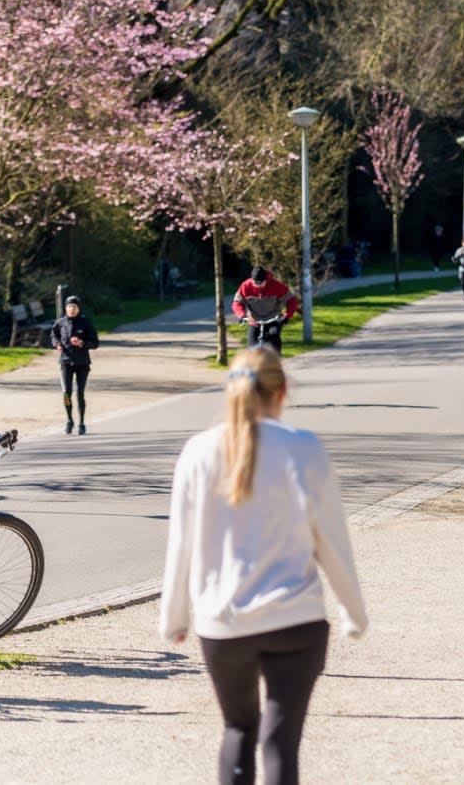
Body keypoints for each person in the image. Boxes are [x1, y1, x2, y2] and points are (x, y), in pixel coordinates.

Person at [160, 347, 367, 785]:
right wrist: (353, 612)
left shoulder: (197, 452)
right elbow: (331, 541)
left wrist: (175, 618)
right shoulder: (304, 449)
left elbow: (182, 545)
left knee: (237, 729)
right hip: (297, 621)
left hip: (224, 622)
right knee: (280, 743)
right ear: (283, 391)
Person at [50, 295, 100, 435]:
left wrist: (82, 343)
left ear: (78, 308)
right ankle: (69, 420)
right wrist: (57, 344)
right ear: (66, 308)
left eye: (74, 307)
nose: (71, 309)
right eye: (69, 306)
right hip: (66, 362)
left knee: (80, 394)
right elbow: (53, 335)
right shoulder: (60, 322)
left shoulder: (85, 322)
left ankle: (82, 423)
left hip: (82, 363)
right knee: (66, 393)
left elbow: (95, 343)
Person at [232, 266, 299, 352]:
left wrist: (287, 315)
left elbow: (291, 301)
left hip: (273, 319)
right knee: (251, 346)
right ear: (252, 280)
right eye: (256, 282)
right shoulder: (245, 286)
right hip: (254, 320)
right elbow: (237, 303)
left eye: (261, 282)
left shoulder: (276, 286)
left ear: (266, 279)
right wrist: (241, 315)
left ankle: (276, 360)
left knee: (273, 335)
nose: (258, 285)